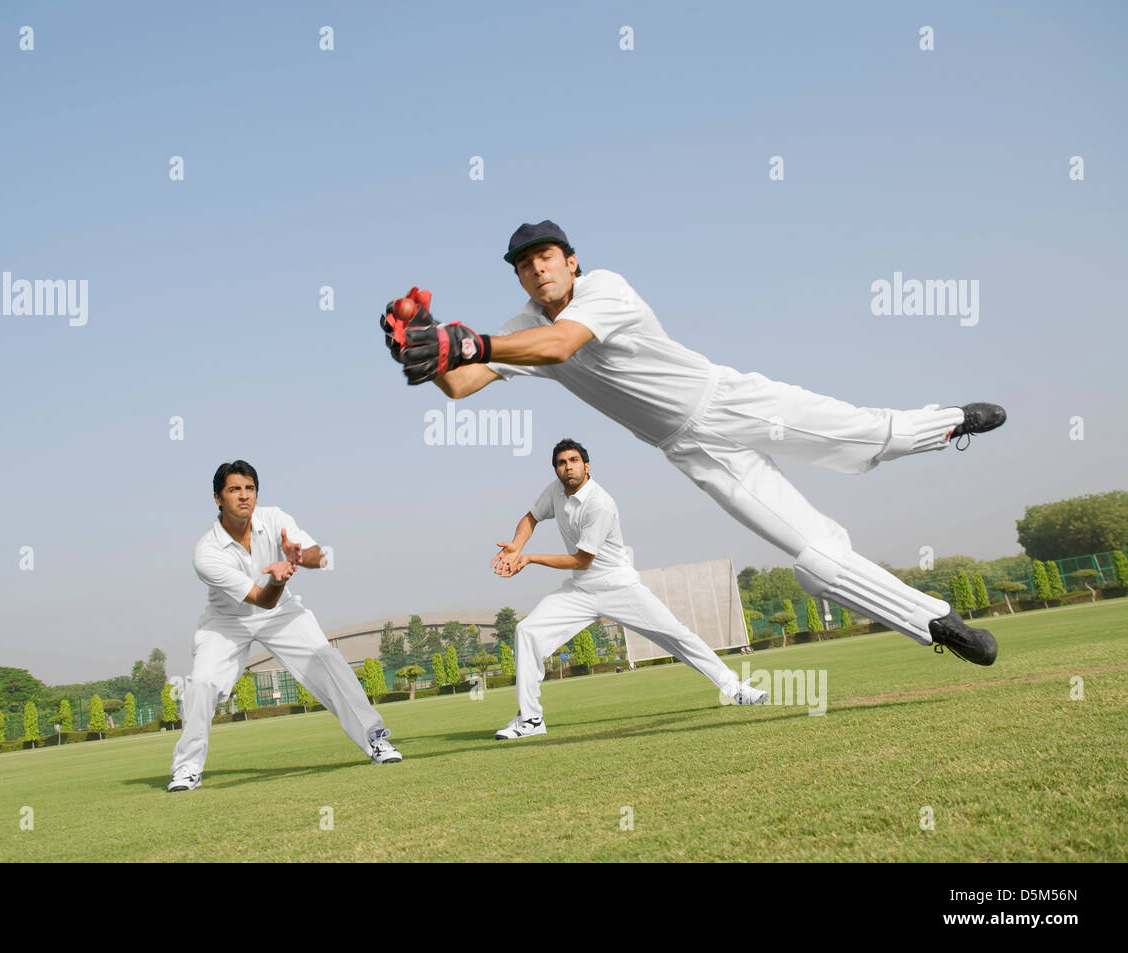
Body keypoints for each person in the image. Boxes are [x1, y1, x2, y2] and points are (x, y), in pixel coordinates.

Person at [380, 221, 1002, 666]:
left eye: (546, 255)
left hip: (728, 399)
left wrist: (469, 342)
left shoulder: (604, 289)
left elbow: (561, 345)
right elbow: (461, 384)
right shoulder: (519, 327)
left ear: (571, 261)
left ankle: (948, 422)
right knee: (814, 556)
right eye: (523, 263)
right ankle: (935, 621)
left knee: (868, 433)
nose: (536, 267)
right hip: (693, 451)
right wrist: (419, 349)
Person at [488, 438, 766, 739]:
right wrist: (516, 546)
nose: (567, 467)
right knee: (526, 632)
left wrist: (529, 558)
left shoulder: (600, 504)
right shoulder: (556, 490)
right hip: (580, 591)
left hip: (618, 587)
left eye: (573, 461)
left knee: (677, 635)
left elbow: (582, 560)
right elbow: (531, 517)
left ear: (586, 465)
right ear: (556, 469)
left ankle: (736, 690)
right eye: (561, 463)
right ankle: (530, 720)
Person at [167, 460, 401, 792]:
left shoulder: (276, 518)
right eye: (234, 490)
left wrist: (297, 556)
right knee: (202, 683)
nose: (244, 496)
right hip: (227, 622)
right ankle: (187, 769)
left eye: (250, 489)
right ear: (218, 498)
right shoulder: (206, 552)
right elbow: (263, 599)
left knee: (328, 661)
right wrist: (279, 575)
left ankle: (375, 740)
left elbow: (320, 557)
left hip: (283, 614)